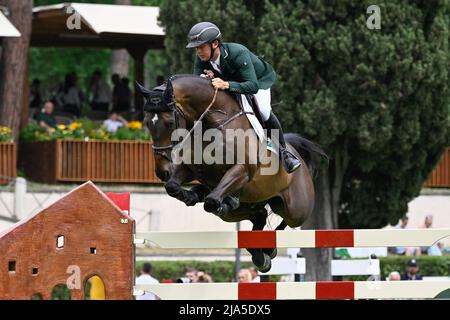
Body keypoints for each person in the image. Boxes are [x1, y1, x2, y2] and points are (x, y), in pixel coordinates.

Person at [186, 21, 301, 173]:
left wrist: (227, 84)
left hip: (258, 81)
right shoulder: (202, 59)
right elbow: (198, 84)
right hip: (230, 82)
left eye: (201, 47)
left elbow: (251, 86)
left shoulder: (237, 53)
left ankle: (284, 152)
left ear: (214, 44)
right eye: (196, 48)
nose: (198, 51)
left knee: (264, 111)